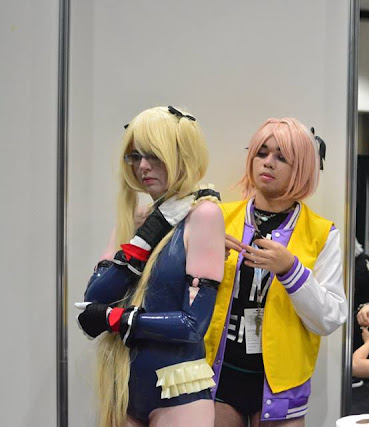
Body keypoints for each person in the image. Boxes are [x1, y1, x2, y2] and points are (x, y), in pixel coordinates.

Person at [76, 106, 225, 427]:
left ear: (182, 155)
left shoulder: (204, 215)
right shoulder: (138, 219)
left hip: (179, 392)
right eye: (136, 156)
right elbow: (93, 302)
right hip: (126, 386)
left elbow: (192, 324)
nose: (143, 166)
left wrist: (118, 318)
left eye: (154, 155)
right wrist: (144, 236)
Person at [203, 118, 348, 426]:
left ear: (303, 168)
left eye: (282, 157)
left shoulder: (322, 233)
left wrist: (292, 271)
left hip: (282, 387)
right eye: (262, 152)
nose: (268, 162)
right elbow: (181, 296)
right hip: (216, 376)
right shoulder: (216, 218)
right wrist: (202, 260)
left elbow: (331, 316)